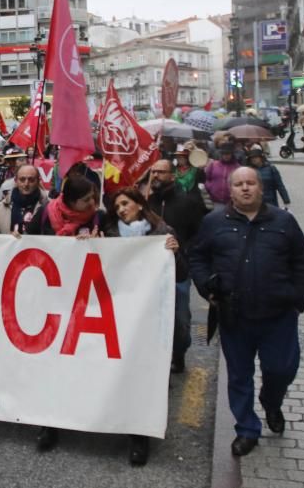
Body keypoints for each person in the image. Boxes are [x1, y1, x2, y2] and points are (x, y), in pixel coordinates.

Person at [189, 167, 304, 457]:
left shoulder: (284, 222)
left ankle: (272, 402)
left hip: (278, 316)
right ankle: (247, 429)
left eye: (250, 183)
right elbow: (197, 257)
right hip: (235, 316)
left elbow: (303, 262)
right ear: (230, 190)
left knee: (281, 369)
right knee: (239, 376)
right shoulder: (213, 222)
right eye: (239, 184)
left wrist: (297, 301)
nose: (245, 188)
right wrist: (205, 286)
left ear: (260, 188)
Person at [102, 186, 186, 466]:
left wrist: (175, 251)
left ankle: (139, 437)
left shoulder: (161, 231)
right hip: (119, 313)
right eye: (117, 207)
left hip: (151, 315)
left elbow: (182, 274)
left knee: (143, 373)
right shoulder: (110, 233)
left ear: (139, 204)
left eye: (125, 203)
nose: (121, 210)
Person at [24, 174, 102, 453]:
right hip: (52, 301)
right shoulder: (47, 214)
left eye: (93, 198)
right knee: (52, 364)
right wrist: (15, 239)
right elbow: (26, 242)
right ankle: (50, 424)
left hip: (87, 303)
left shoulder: (99, 218)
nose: (92, 203)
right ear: (69, 201)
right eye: (86, 200)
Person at [148, 158, 209, 374]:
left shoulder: (188, 202)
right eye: (153, 172)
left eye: (161, 172)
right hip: (151, 272)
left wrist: (185, 251)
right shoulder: (146, 202)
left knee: (180, 318)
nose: (155, 176)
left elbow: (201, 232)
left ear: (172, 176)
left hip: (178, 270)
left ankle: (179, 352)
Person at [26, 174, 102, 237]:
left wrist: (95, 242)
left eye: (92, 196)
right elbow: (26, 238)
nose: (92, 202)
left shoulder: (98, 216)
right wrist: (16, 237)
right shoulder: (46, 212)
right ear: (72, 202)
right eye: (86, 200)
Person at [0, 164, 47, 234]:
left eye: (31, 180)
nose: (26, 184)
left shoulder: (48, 206)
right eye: (22, 179)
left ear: (38, 181)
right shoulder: (1, 207)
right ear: (16, 181)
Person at [204, 144, 239, 211]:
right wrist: (209, 187)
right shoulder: (213, 164)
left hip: (231, 202)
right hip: (215, 200)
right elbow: (207, 178)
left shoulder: (237, 167)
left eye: (228, 154)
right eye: (224, 154)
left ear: (232, 154)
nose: (226, 156)